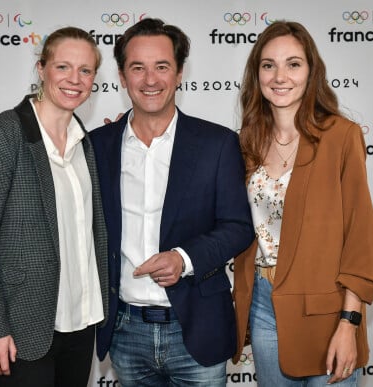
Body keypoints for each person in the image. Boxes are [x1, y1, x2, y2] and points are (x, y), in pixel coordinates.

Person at [90, 18, 254, 387]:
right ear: (121, 76)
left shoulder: (217, 144)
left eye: (162, 66)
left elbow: (239, 228)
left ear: (179, 73)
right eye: (138, 67)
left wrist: (185, 258)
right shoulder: (98, 146)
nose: (151, 80)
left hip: (196, 328)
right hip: (125, 331)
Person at [0, 26, 108, 387]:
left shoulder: (84, 141)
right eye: (63, 67)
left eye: (85, 71)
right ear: (41, 69)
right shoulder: (4, 133)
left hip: (80, 324)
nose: (74, 80)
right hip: (19, 329)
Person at [232, 21, 373, 386]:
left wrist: (350, 323)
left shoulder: (341, 136)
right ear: (257, 74)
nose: (280, 76)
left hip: (329, 309)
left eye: (293, 64)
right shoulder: (245, 142)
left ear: (312, 71)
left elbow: (359, 238)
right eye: (268, 65)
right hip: (265, 306)